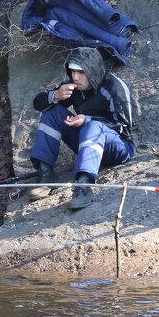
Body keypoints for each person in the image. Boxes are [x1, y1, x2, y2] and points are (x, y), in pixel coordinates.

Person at [27, 47, 137, 210]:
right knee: (52, 111)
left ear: (91, 70)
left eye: (81, 72)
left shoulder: (115, 87)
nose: (75, 77)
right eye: (72, 71)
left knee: (92, 126)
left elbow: (126, 129)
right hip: (90, 145)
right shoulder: (74, 86)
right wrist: (55, 95)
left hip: (120, 146)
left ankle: (83, 185)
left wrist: (88, 119)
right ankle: (46, 173)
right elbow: (38, 104)